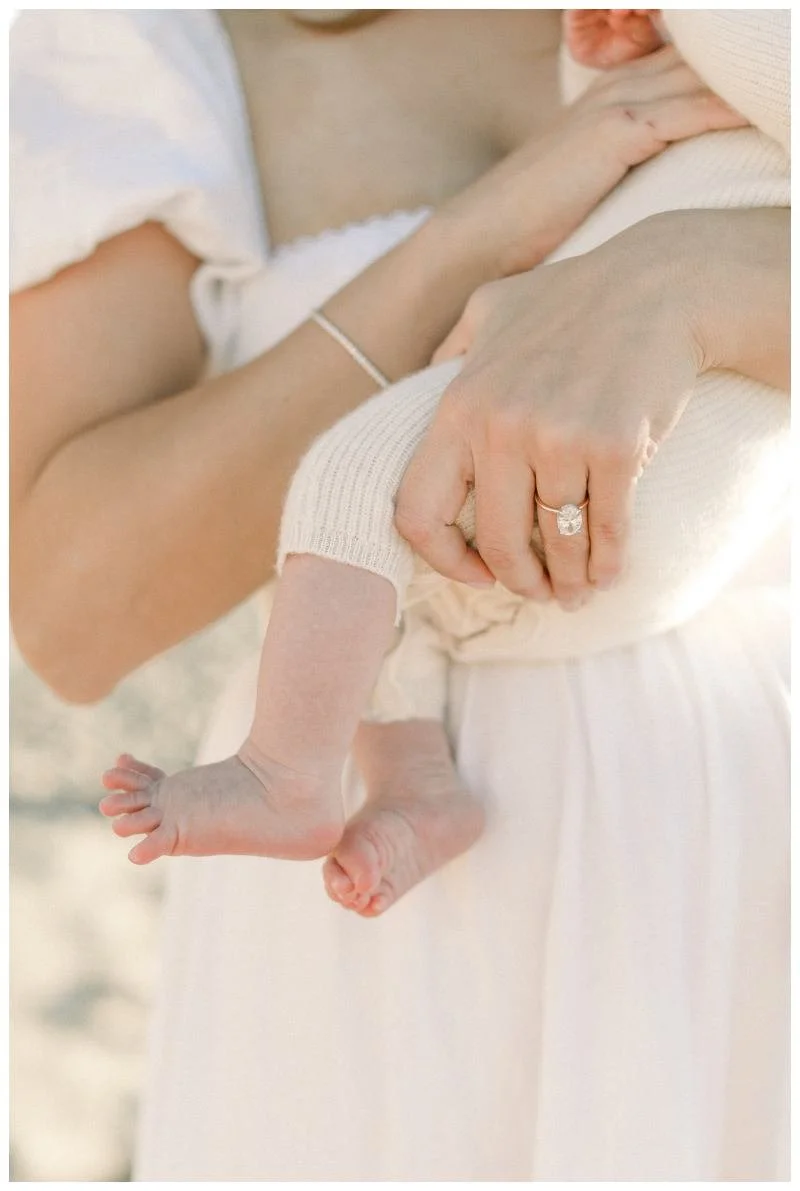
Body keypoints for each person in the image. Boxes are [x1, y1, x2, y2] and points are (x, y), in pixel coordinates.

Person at [10, 8, 789, 1180]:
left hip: (757, 800)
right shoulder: (129, 43)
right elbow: (75, 614)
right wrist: (470, 241)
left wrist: (689, 280)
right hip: (378, 865)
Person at [98, 8, 788, 928]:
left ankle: (286, 772)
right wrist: (623, 48)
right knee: (350, 570)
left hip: (664, 571)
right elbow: (673, 116)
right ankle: (417, 783)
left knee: (346, 480)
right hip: (608, 533)